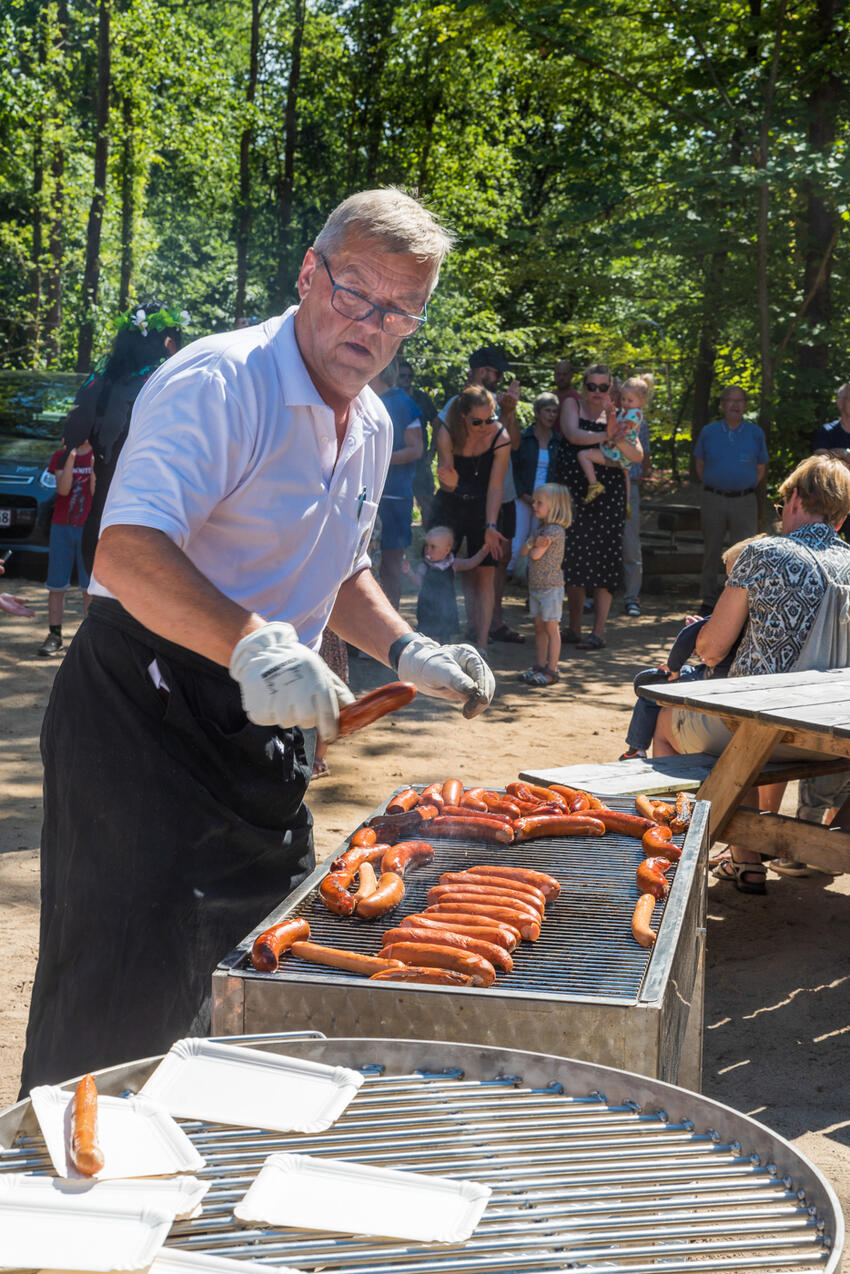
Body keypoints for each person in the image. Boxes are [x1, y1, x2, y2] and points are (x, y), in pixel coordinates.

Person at [20, 186, 495, 1092]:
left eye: (400, 310)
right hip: (141, 714)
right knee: (118, 990)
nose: (371, 324)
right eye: (355, 293)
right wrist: (254, 644)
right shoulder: (220, 381)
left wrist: (406, 650)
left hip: (260, 727)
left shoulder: (373, 423)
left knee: (254, 968)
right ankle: (59, 1171)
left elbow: (338, 566)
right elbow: (127, 548)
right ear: (310, 274)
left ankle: (206, 1153)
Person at [652, 453, 850, 893]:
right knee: (762, 732)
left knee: (666, 722)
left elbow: (711, 649)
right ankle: (750, 852)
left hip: (761, 731)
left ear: (795, 498)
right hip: (833, 742)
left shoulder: (764, 553)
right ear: (840, 517)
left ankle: (703, 852)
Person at [62, 303, 185, 574]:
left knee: (100, 596)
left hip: (101, 523)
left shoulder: (102, 378)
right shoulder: (168, 381)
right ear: (168, 342)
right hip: (149, 522)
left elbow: (73, 432)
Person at [619, 535, 760, 759]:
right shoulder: (761, 612)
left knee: (649, 689)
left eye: (731, 578)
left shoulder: (736, 605)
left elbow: (688, 636)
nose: (727, 584)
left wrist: (674, 666)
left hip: (712, 681)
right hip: (728, 679)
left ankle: (635, 749)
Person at [441, 347, 524, 645]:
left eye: (498, 373)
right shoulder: (456, 405)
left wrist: (509, 413)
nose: (496, 378)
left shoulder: (502, 405)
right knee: (470, 563)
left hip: (504, 493)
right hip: (469, 498)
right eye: (492, 371)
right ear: (478, 371)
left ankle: (494, 623)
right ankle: (475, 627)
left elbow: (514, 444)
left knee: (498, 560)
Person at [551, 363, 628, 650]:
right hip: (574, 492)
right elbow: (573, 435)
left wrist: (609, 442)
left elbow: (628, 455)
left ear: (611, 388)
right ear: (583, 386)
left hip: (609, 493)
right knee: (573, 557)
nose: (597, 392)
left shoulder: (620, 413)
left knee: (606, 558)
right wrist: (608, 436)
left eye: (603, 387)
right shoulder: (571, 404)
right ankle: (574, 628)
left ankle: (598, 631)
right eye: (591, 386)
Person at [429, 386, 512, 654]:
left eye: (490, 419)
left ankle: (482, 644)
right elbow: (447, 484)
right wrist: (453, 484)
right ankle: (437, 640)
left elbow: (496, 487)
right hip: (450, 503)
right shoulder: (447, 432)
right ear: (463, 416)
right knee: (438, 569)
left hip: (483, 504)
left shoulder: (500, 436)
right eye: (478, 421)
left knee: (485, 573)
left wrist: (491, 526)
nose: (485, 426)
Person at [693, 385, 768, 612]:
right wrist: (718, 484)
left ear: (745, 405)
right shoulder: (709, 432)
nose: (735, 405)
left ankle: (741, 602)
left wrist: (742, 486)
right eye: (730, 400)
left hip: (744, 501)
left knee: (744, 552)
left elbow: (761, 468)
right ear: (722, 404)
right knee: (712, 550)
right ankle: (708, 600)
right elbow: (700, 464)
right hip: (713, 499)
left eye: (739, 401)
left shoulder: (755, 433)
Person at [370, 356, 423, 610]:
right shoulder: (365, 399)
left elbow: (416, 449)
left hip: (394, 499)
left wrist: (377, 458)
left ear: (380, 371)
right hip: (369, 497)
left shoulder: (403, 403)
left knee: (390, 565)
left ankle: (389, 626)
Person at [36, 438, 96, 656]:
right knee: (56, 584)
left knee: (89, 587)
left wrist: (94, 463)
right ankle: (55, 635)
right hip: (62, 527)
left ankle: (89, 640)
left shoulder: (98, 456)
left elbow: (95, 490)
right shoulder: (60, 456)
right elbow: (63, 490)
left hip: (89, 528)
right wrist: (70, 456)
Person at [518, 483, 572, 686]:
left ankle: (552, 669)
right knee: (539, 627)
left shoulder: (555, 531)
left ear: (554, 506)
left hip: (551, 587)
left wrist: (532, 545)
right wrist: (532, 544)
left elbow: (534, 553)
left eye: (539, 502)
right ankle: (539, 666)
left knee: (551, 628)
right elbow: (524, 551)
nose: (534, 505)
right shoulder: (540, 529)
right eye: (534, 501)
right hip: (536, 587)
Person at [403, 525, 489, 644]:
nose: (428, 550)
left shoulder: (452, 564)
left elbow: (471, 563)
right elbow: (418, 583)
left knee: (446, 636)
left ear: (447, 550)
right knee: (430, 636)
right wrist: (409, 572)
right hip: (427, 608)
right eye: (427, 546)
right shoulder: (425, 566)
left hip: (447, 608)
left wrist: (483, 552)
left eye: (433, 547)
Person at [509, 392, 564, 578]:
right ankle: (508, 574)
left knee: (538, 540)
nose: (551, 415)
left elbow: (559, 474)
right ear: (537, 413)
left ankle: (529, 578)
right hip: (523, 496)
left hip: (546, 502)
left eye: (555, 411)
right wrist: (524, 495)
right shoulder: (524, 438)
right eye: (547, 411)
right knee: (517, 541)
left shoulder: (558, 441)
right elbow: (513, 469)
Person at [577, 374, 649, 508]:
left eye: (629, 400)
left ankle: (594, 484)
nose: (625, 403)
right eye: (623, 399)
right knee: (626, 475)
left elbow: (615, 432)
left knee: (583, 455)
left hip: (616, 452)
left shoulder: (634, 414)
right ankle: (627, 504)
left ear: (642, 401)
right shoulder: (627, 412)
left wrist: (611, 415)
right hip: (618, 454)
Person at [397, 358, 439, 523]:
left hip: (420, 461)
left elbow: (437, 423)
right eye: (402, 376)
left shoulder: (421, 398)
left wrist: (433, 451)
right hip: (396, 461)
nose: (407, 379)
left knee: (427, 502)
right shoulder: (389, 397)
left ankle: (431, 535)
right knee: (397, 505)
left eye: (410, 376)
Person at [622, 396, 651, 618]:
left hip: (629, 485)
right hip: (604, 483)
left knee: (631, 544)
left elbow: (645, 456)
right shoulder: (607, 419)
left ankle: (632, 598)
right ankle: (593, 595)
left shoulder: (640, 422)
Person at [811, 382, 850, 455]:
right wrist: (845, 453)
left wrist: (841, 453)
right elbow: (819, 455)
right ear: (839, 403)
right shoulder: (827, 431)